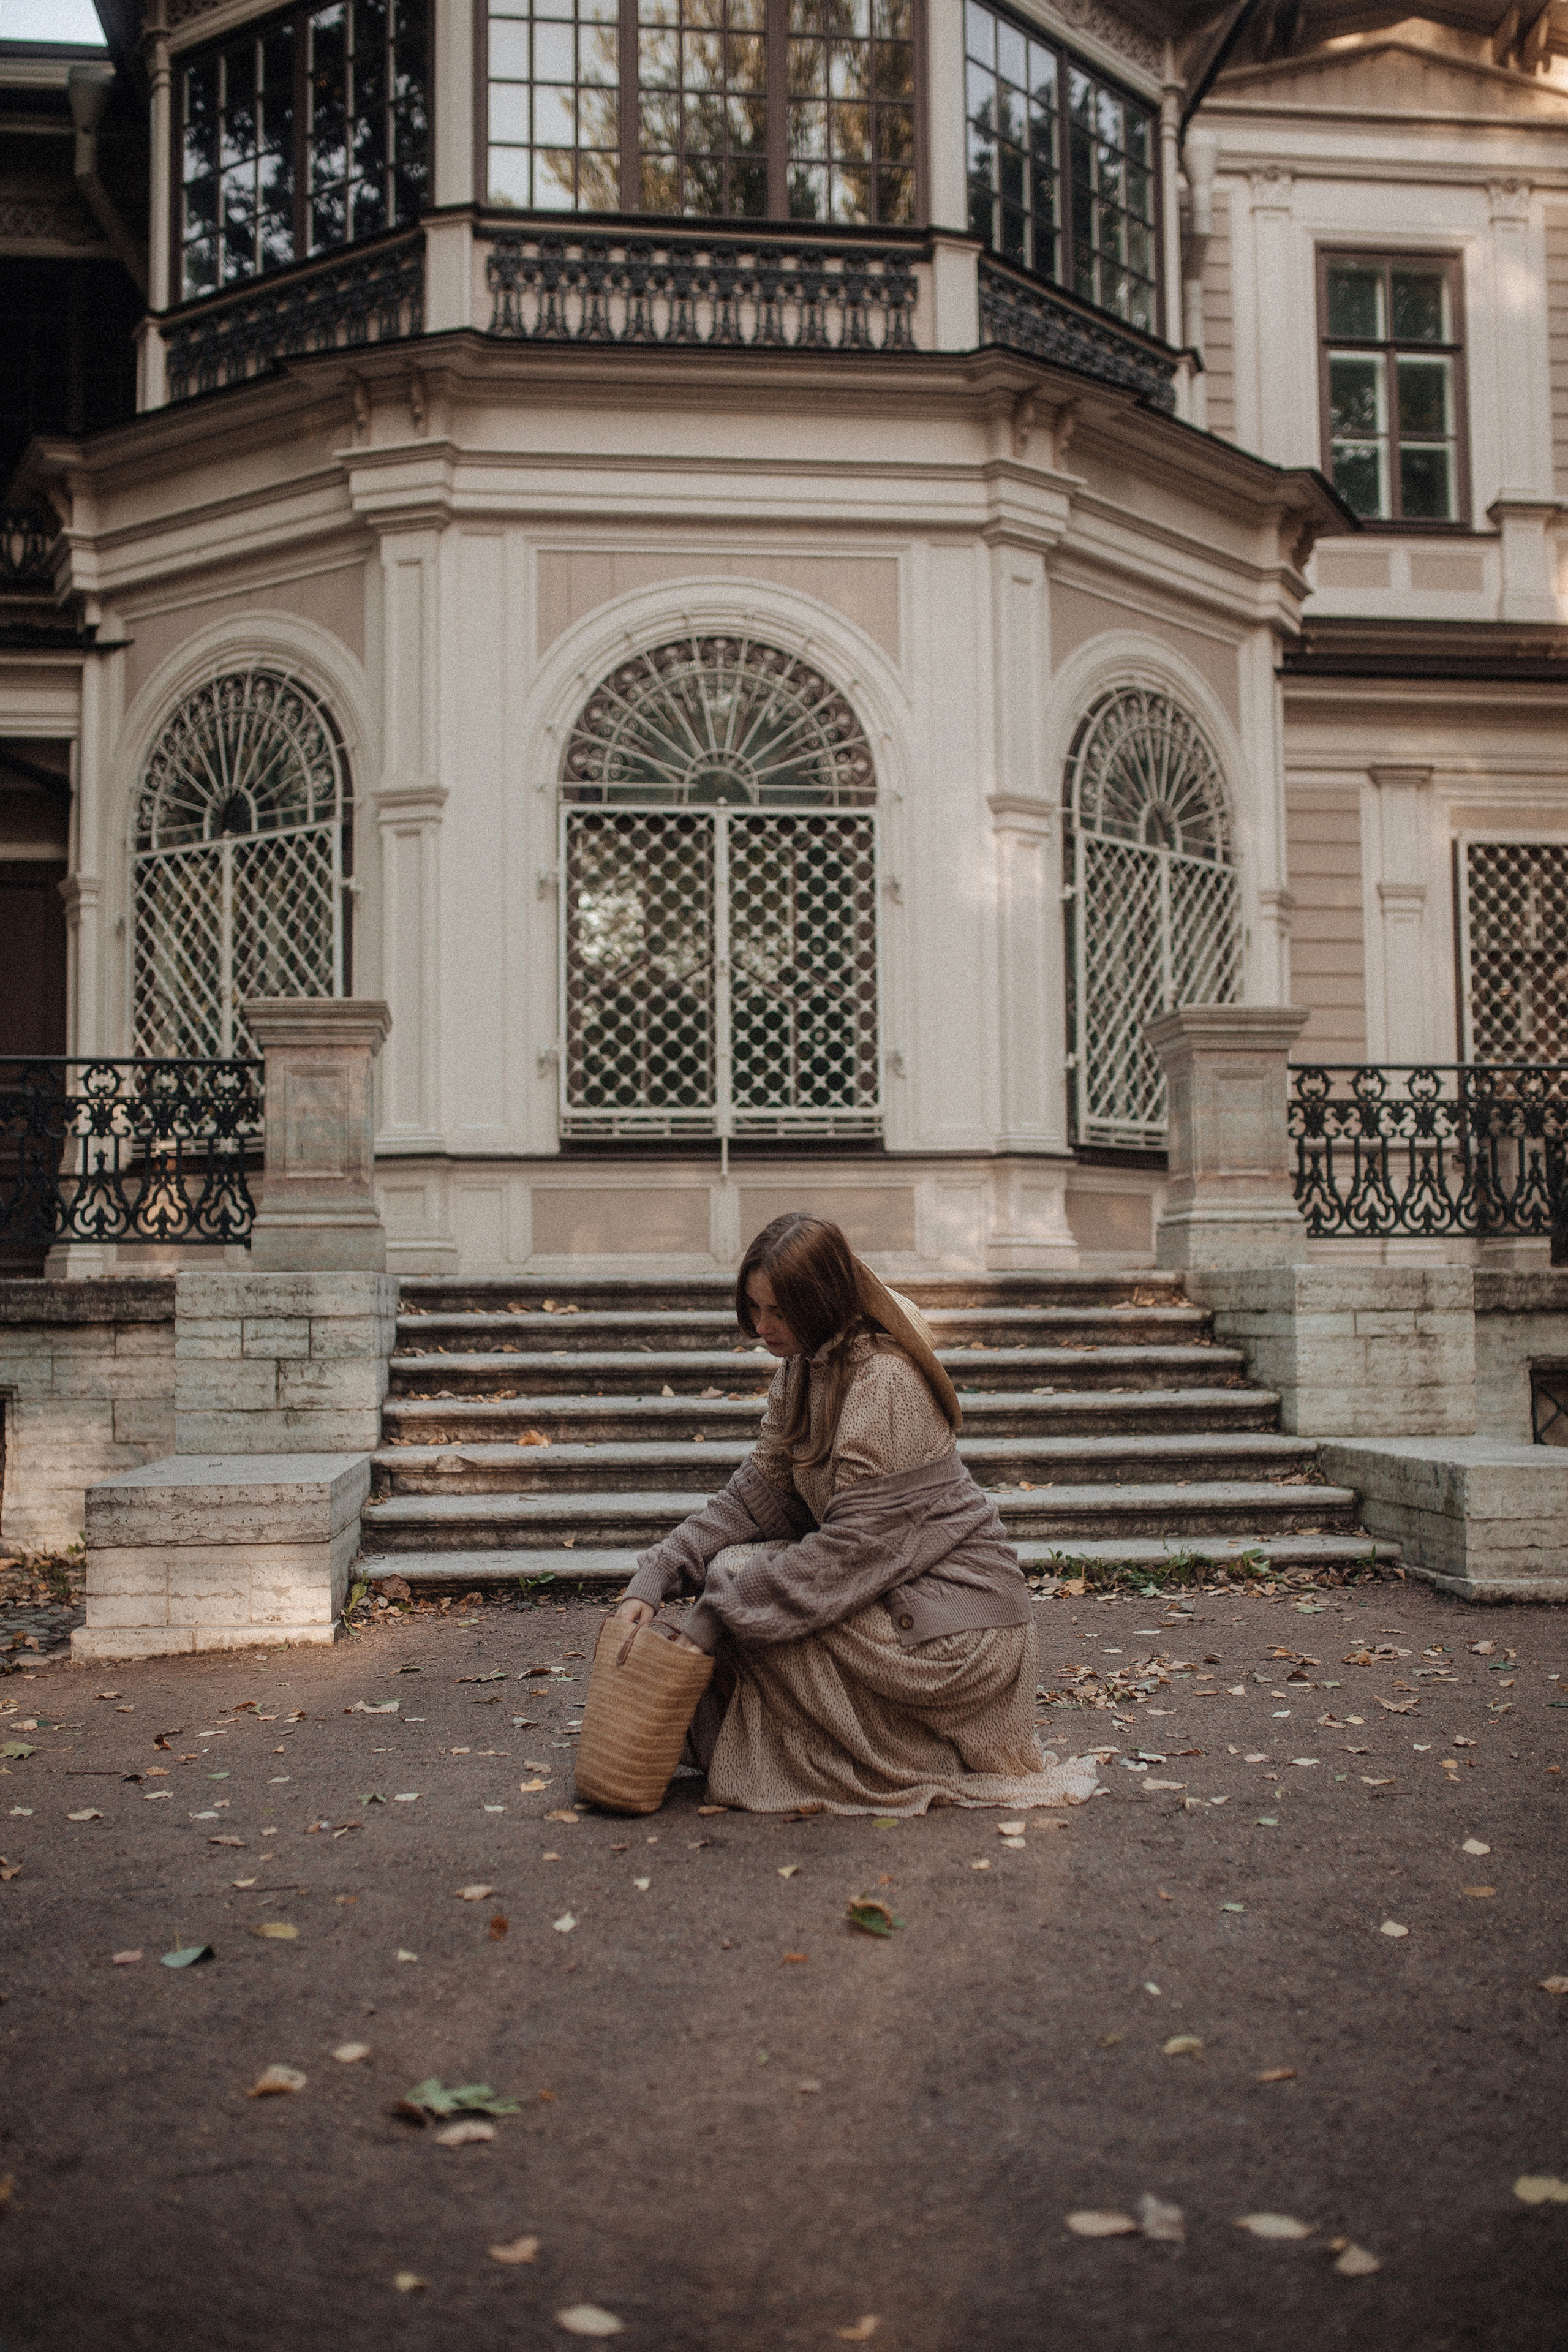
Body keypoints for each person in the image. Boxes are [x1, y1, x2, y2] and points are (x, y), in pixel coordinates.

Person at [612, 1213, 1098, 1815]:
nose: (762, 1327)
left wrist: (718, 1615)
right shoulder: (800, 1371)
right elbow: (750, 1499)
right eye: (754, 1308)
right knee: (740, 1580)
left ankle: (918, 1751)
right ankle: (829, 1744)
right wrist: (656, 1576)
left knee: (744, 1590)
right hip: (890, 1595)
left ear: (819, 1301)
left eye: (778, 1312)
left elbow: (850, 1556)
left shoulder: (883, 1381)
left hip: (958, 1631)